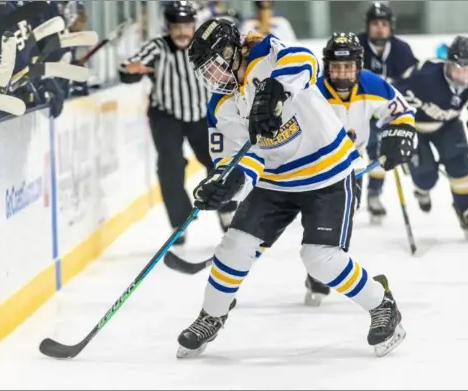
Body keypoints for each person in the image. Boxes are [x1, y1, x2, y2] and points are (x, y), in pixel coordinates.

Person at [176, 18, 414, 359]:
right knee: (233, 247)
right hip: (275, 183)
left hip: (328, 175)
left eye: (213, 66)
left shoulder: (266, 53)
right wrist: (227, 185)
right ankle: (212, 315)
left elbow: (305, 60)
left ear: (230, 52)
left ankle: (382, 304)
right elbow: (241, 159)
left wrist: (276, 89)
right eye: (205, 71)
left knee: (320, 260)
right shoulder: (221, 104)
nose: (211, 77)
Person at [305, 32, 416, 306]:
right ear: (326, 65)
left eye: (348, 67)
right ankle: (318, 272)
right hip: (313, 167)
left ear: (358, 65)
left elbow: (402, 111)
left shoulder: (373, 84)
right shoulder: (312, 92)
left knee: (341, 222)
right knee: (316, 223)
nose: (342, 74)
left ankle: (324, 271)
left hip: (353, 164)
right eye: (336, 67)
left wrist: (398, 135)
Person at [119, 1, 237, 243]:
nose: (182, 32)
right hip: (167, 115)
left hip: (203, 114)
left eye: (186, 26)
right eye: (176, 26)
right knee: (170, 167)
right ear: (168, 27)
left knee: (218, 161)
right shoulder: (158, 46)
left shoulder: (207, 44)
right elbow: (131, 68)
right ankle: (179, 222)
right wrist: (130, 71)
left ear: (194, 25)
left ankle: (226, 210)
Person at [394, 36, 468, 237]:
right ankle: (421, 189)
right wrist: (394, 131)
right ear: (446, 64)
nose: (460, 75)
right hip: (415, 130)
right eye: (456, 68)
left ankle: (466, 210)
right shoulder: (425, 77)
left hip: (448, 126)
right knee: (426, 178)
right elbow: (393, 97)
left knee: (459, 165)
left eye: (466, 69)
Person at [357, 2, 418, 223]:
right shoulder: (357, 46)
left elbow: (413, 82)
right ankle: (345, 193)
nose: (380, 28)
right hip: (358, 109)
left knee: (381, 150)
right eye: (375, 24)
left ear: (390, 26)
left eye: (384, 24)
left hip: (388, 112)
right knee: (352, 150)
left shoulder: (402, 50)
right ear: (368, 26)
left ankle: (374, 193)